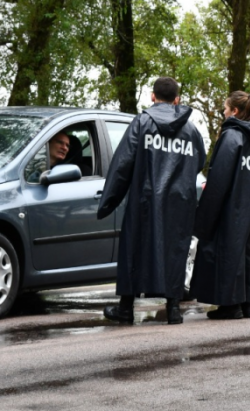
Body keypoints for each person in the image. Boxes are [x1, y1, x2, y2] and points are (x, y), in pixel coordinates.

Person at [97, 77, 207, 325]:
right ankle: (174, 309)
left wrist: (108, 200)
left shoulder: (142, 123)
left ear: (152, 96)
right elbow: (199, 161)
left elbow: (123, 163)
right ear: (177, 100)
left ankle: (126, 308)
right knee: (176, 251)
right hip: (180, 202)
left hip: (144, 200)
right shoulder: (191, 130)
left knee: (133, 250)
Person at [190, 91, 250, 320]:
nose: (223, 112)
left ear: (234, 111)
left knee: (228, 254)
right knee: (249, 255)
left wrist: (205, 215)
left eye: (225, 108)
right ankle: (246, 304)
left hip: (232, 207)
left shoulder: (231, 136)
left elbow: (219, 178)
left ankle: (230, 305)